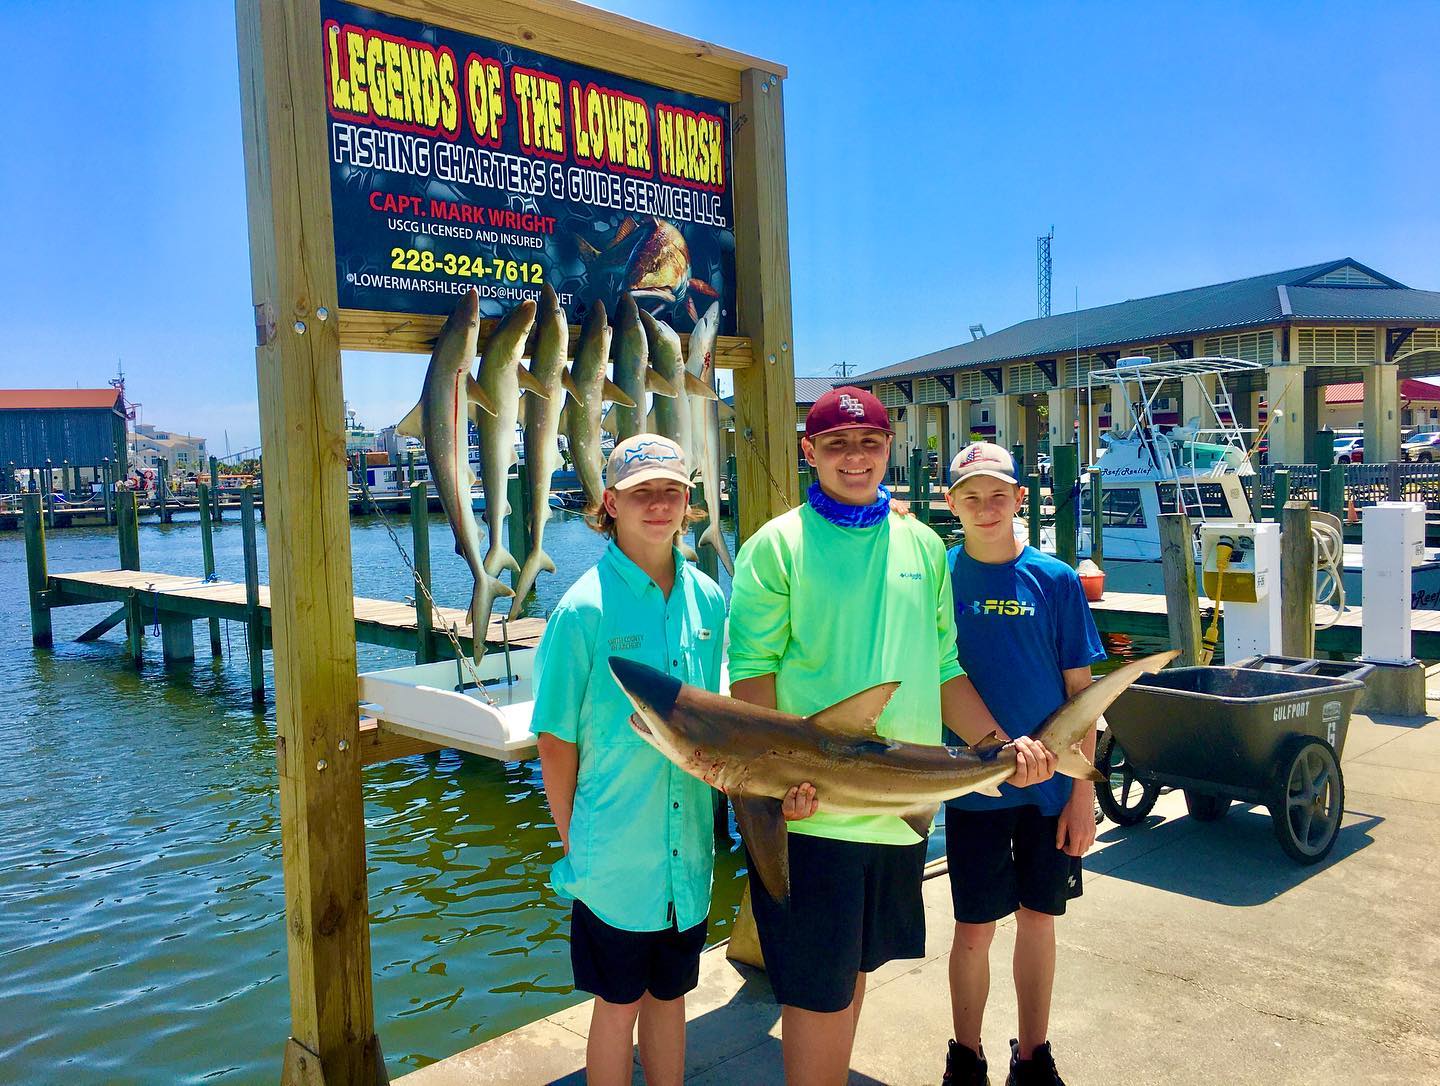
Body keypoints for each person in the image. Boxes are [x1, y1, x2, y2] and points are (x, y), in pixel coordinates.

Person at [726, 388, 1056, 1086]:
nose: (855, 457)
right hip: (814, 811)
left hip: (901, 813)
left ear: (889, 450)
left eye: (869, 442)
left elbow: (942, 669)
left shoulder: (922, 546)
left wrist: (1004, 746)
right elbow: (751, 682)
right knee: (816, 992)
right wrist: (773, 781)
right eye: (837, 444)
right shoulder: (772, 548)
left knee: (851, 978)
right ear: (808, 451)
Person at [532, 433, 728, 1086]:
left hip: (689, 854)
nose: (658, 505)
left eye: (671, 491)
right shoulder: (580, 610)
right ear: (609, 503)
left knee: (670, 1001)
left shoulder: (709, 599)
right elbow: (555, 742)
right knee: (616, 1009)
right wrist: (574, 844)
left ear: (689, 502)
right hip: (614, 859)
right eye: (641, 493)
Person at [940, 442, 1107, 1086]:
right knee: (973, 928)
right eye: (971, 497)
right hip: (974, 789)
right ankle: (967, 1053)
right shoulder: (937, 578)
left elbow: (1082, 696)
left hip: (1050, 793)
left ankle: (1033, 1053)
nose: (986, 509)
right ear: (951, 503)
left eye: (998, 496)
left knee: (1040, 920)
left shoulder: (1057, 580)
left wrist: (1082, 794)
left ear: (1020, 500)